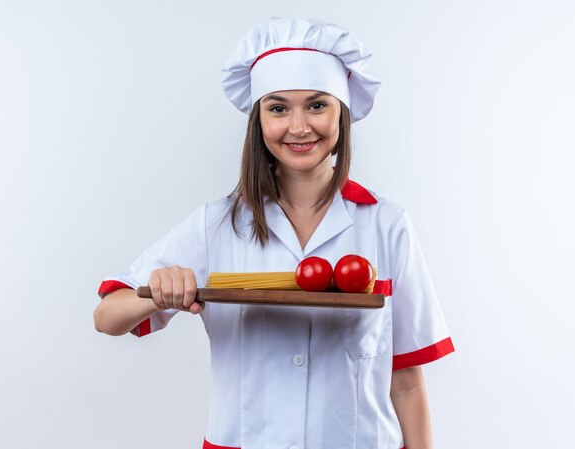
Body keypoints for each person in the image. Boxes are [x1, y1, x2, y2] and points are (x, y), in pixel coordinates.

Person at [93, 17, 454, 449]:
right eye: (279, 108)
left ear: (343, 112)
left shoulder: (386, 223)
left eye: (317, 105)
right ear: (259, 121)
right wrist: (153, 289)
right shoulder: (217, 225)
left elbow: (407, 380)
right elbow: (105, 318)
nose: (299, 127)